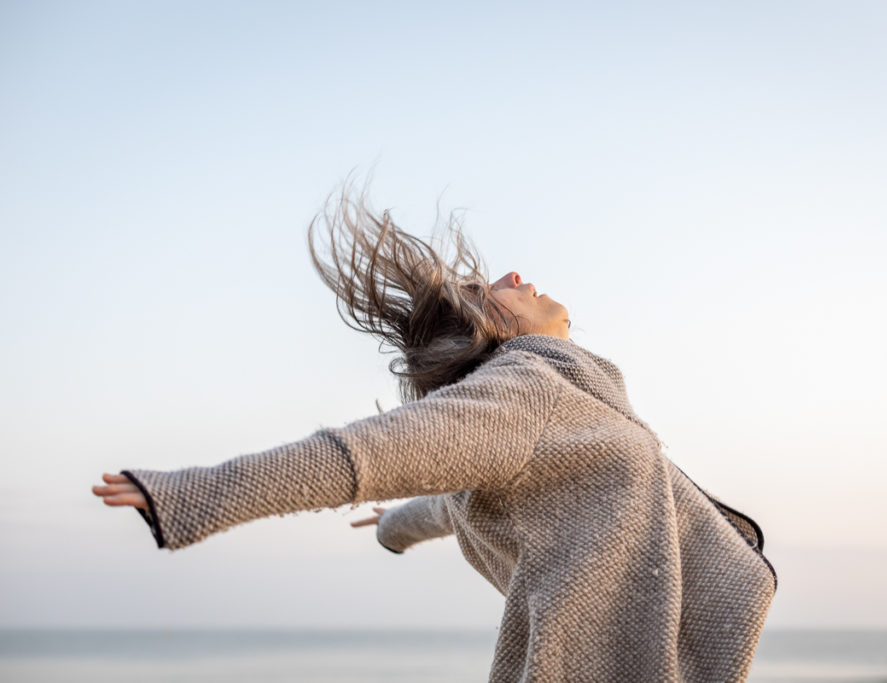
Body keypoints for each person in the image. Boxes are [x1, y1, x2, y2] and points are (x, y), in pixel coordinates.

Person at [92, 180, 777, 682]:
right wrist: (192, 494)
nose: (513, 275)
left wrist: (397, 524)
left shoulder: (563, 400)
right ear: (494, 332)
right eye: (490, 291)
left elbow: (454, 499)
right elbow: (363, 454)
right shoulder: (524, 392)